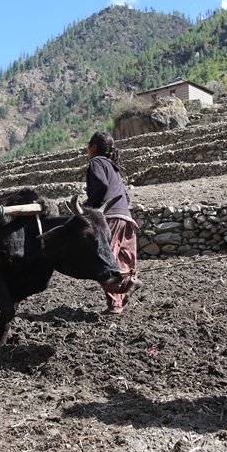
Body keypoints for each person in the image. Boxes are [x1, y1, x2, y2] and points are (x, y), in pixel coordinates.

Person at [84, 131, 143, 315]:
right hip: (127, 218)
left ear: (93, 147)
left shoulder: (96, 163)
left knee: (103, 262)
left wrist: (89, 207)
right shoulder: (114, 169)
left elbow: (101, 186)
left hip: (110, 218)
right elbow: (125, 196)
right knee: (123, 261)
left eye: (88, 146)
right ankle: (119, 302)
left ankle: (121, 294)